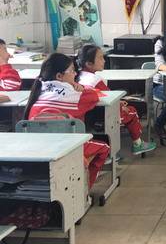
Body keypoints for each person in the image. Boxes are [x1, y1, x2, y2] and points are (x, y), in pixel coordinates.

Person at [23, 53, 109, 189]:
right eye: (72, 70)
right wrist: (81, 87)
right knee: (104, 147)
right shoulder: (75, 95)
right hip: (64, 148)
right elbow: (94, 95)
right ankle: (85, 189)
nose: (75, 74)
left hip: (37, 149)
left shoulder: (39, 90)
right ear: (59, 76)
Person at [77, 44, 156, 155]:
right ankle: (138, 144)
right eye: (100, 58)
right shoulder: (95, 80)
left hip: (89, 116)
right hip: (104, 115)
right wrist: (120, 105)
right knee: (132, 111)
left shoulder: (78, 77)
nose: (104, 61)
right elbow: (110, 98)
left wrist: (119, 102)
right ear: (89, 64)